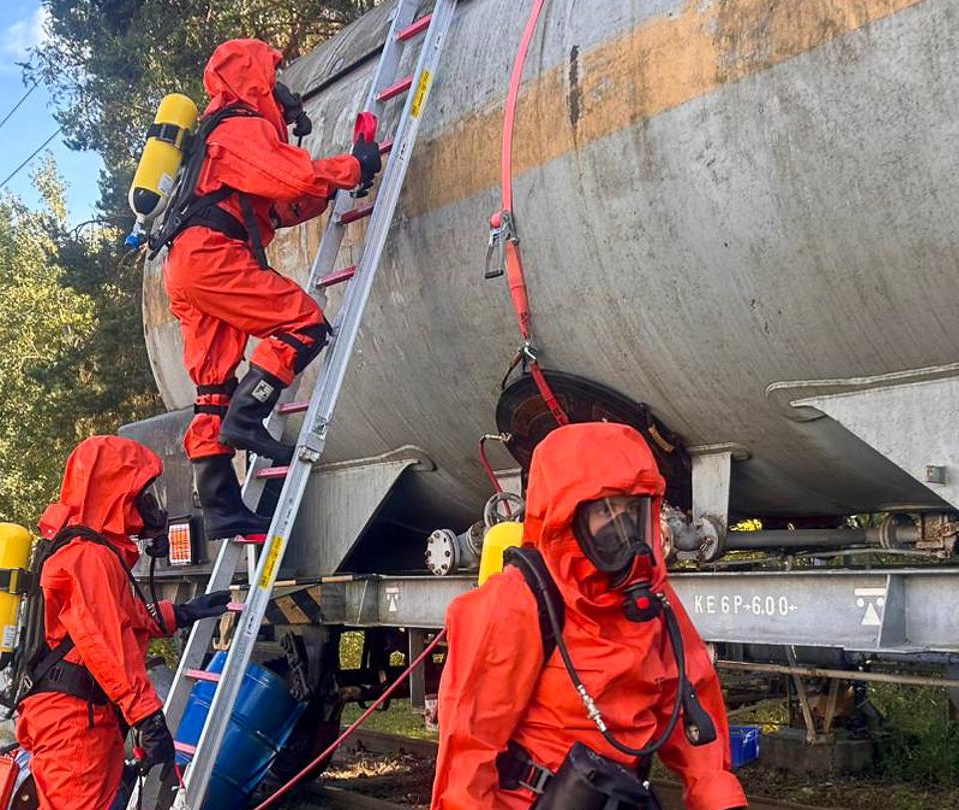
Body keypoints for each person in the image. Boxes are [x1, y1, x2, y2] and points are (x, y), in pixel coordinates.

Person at [429, 423, 749, 810]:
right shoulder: (520, 599)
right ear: (567, 516)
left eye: (632, 509)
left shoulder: (651, 598)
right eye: (604, 510)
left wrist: (718, 798)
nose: (622, 527)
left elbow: (693, 711)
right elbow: (468, 747)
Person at [164, 38, 383, 539]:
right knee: (305, 324)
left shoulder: (213, 139)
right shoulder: (241, 125)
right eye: (273, 75)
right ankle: (249, 415)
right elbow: (290, 179)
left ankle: (222, 507)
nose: (282, 90)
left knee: (211, 388)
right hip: (213, 254)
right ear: (253, 77)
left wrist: (332, 186)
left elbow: (280, 206)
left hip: (189, 263)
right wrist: (353, 166)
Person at [17, 436, 234, 809]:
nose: (150, 505)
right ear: (113, 492)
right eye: (141, 492)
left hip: (77, 715)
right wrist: (148, 718)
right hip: (74, 723)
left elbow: (119, 620)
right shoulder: (90, 557)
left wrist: (181, 613)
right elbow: (105, 644)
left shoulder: (87, 551)